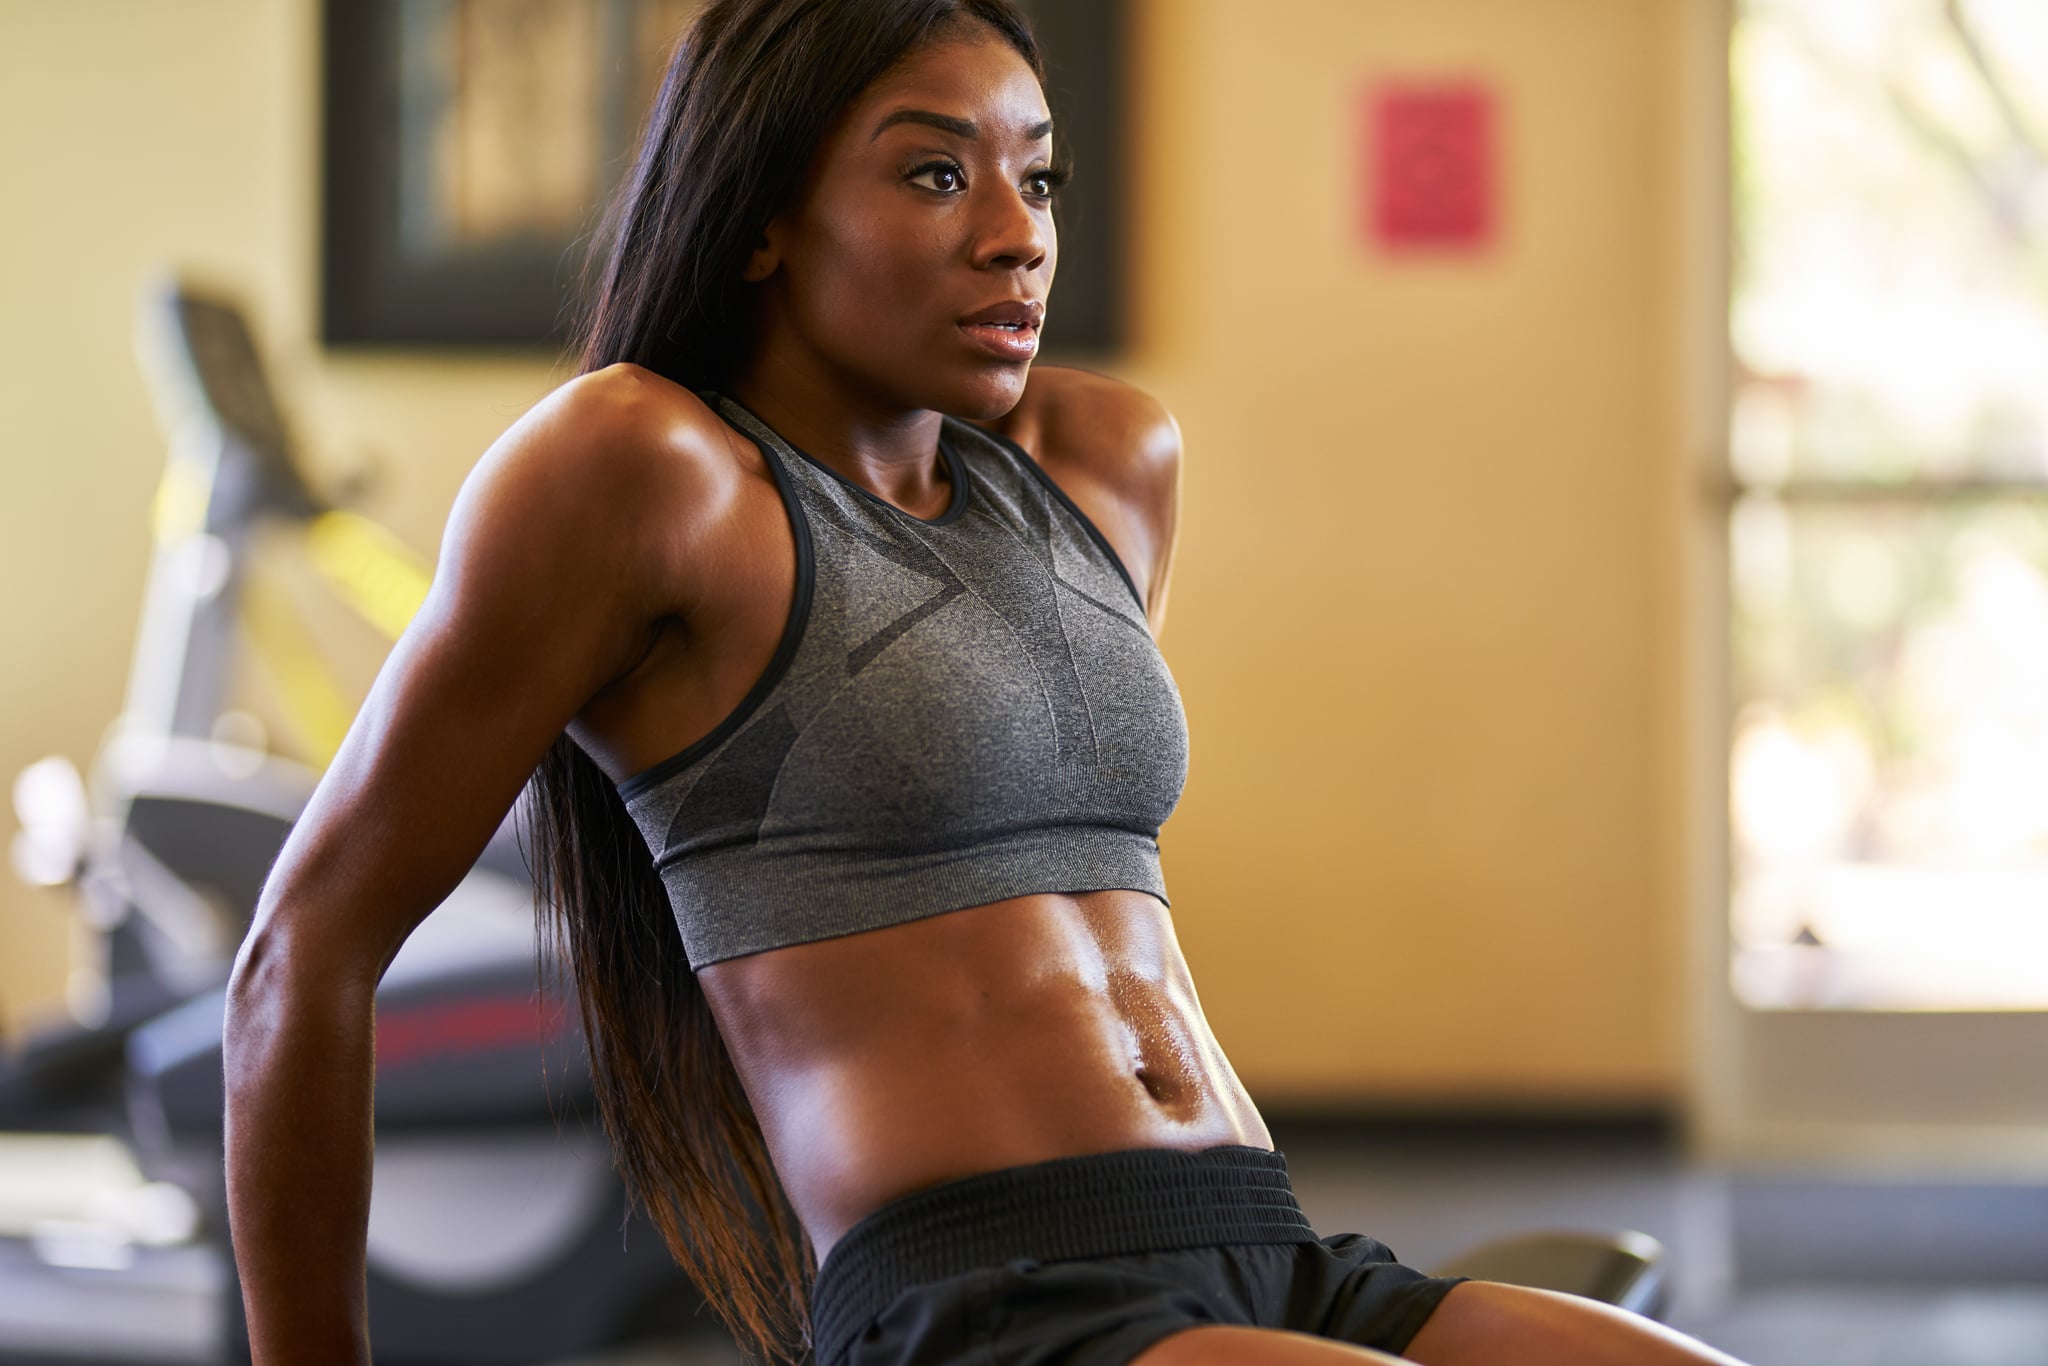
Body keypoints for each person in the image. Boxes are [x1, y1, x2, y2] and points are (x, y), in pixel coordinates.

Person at [222, 3, 1750, 1364]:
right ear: (763, 216)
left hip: (1275, 1251)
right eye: (937, 173)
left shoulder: (1108, 467)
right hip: (997, 1306)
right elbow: (304, 953)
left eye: (1039, 177)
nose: (1015, 232)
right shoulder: (645, 472)